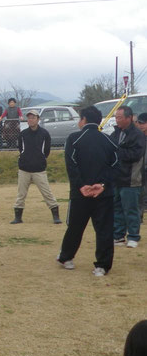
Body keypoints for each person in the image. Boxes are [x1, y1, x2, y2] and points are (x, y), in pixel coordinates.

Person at [57, 106, 118, 276]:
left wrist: (81, 186)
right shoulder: (109, 140)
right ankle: (102, 266)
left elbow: (71, 164)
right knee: (104, 230)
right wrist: (103, 185)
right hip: (103, 194)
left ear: (83, 120)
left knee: (75, 227)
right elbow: (116, 166)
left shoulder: (74, 139)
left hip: (80, 193)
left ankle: (66, 257)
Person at [10, 109, 62, 225]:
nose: (31, 120)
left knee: (47, 193)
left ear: (38, 119)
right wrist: (24, 157)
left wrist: (41, 158)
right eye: (29, 118)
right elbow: (20, 149)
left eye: (33, 117)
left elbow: (47, 151)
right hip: (24, 169)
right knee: (21, 194)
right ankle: (18, 217)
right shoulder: (23, 134)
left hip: (39, 169)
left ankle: (55, 215)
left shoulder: (44, 134)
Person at [109, 106, 145, 248]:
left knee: (131, 209)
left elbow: (135, 155)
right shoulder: (116, 133)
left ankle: (133, 236)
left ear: (129, 118)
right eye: (116, 117)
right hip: (116, 178)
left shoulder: (137, 135)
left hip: (132, 178)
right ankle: (118, 236)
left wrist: (118, 151)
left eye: (119, 117)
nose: (117, 120)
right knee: (116, 208)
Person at [136, 112, 147, 222]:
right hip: (140, 169)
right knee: (140, 194)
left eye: (143, 123)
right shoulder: (138, 137)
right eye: (139, 123)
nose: (140, 125)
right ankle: (139, 216)